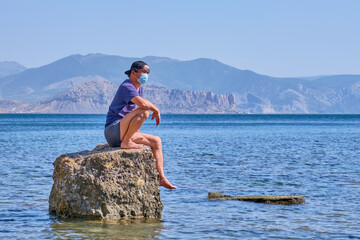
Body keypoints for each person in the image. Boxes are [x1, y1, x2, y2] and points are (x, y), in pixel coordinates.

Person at [104, 61, 177, 189]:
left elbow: (136, 110)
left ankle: (162, 178)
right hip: (113, 130)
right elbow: (142, 105)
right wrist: (157, 110)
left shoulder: (139, 88)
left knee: (156, 142)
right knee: (144, 111)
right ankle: (126, 142)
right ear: (134, 72)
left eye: (148, 73)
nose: (146, 76)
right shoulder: (126, 86)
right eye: (144, 72)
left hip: (123, 129)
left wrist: (135, 133)